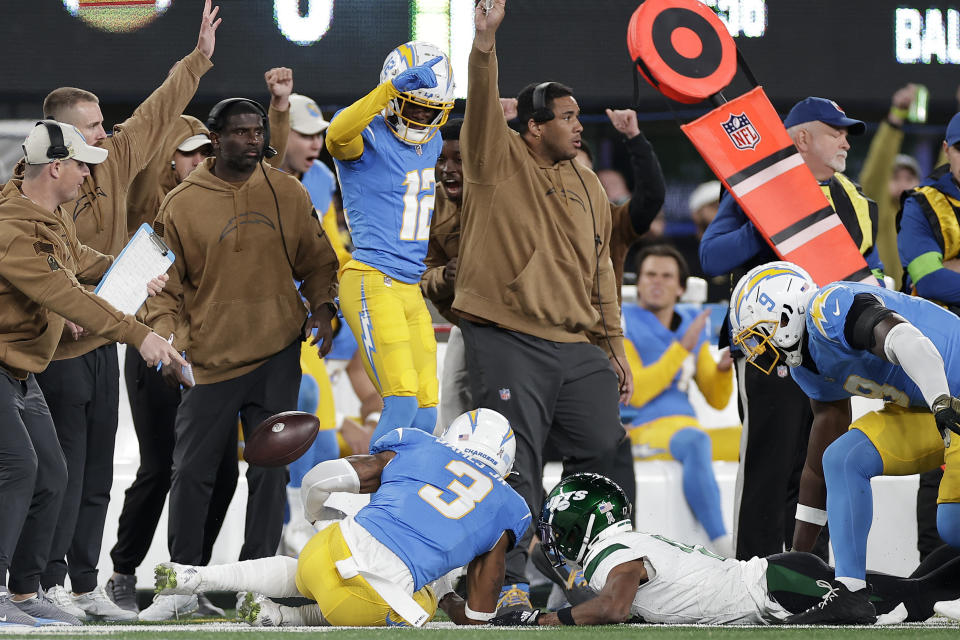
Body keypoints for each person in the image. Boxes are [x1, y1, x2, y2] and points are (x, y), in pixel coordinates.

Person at [22, 1, 219, 622]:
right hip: (53, 352)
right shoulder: (28, 194)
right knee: (60, 474)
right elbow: (32, 274)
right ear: (59, 140)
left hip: (103, 343)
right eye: (93, 128)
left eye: (104, 124)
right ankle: (42, 583)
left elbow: (159, 110)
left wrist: (200, 59)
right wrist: (68, 309)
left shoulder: (113, 164)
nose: (107, 133)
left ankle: (83, 585)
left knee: (98, 475)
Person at [456, 0, 633, 613]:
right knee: (517, 464)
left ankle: (571, 560)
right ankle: (500, 587)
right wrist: (484, 46)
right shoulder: (494, 160)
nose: (579, 126)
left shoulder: (587, 181)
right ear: (532, 126)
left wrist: (612, 344)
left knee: (606, 445)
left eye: (579, 116)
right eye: (566, 117)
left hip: (576, 343)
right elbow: (483, 106)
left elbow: (603, 268)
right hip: (507, 335)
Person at [140, 96, 340, 620]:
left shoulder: (288, 192)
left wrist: (323, 306)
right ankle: (179, 585)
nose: (252, 140)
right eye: (240, 132)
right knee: (192, 471)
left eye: (257, 131)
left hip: (276, 352)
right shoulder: (182, 203)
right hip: (209, 358)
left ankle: (260, 585)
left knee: (271, 474)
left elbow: (319, 260)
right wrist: (165, 340)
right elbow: (161, 287)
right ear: (216, 138)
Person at [0, 121, 185, 627]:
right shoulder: (13, 229)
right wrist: (139, 333)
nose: (87, 173)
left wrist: (128, 270)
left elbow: (81, 261)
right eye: (81, 163)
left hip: (20, 373)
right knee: (18, 469)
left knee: (52, 473)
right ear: (56, 166)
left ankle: (21, 595)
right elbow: (66, 294)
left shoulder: (47, 215)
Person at [698, 96, 881, 562]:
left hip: (832, 348)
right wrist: (765, 225)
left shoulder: (856, 199)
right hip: (767, 348)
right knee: (770, 461)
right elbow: (711, 257)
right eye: (835, 130)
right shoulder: (755, 187)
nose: (845, 140)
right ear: (800, 138)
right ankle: (752, 576)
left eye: (847, 132)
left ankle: (809, 573)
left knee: (822, 464)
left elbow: (870, 268)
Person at [727, 261, 960, 624]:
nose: (757, 349)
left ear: (786, 315)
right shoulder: (807, 364)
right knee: (842, 457)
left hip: (947, 395)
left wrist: (941, 403)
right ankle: (849, 594)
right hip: (931, 405)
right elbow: (817, 466)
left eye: (758, 334)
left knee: (954, 522)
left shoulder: (828, 308)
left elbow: (908, 341)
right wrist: (800, 562)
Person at [151, 409, 531, 628]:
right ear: (504, 465)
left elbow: (323, 478)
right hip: (368, 599)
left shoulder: (417, 444)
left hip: (329, 548)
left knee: (303, 568)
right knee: (423, 598)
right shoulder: (507, 507)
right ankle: (285, 618)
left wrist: (317, 519)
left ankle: (197, 576)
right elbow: (477, 617)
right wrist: (446, 595)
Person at [491, 473, 960, 626]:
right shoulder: (619, 546)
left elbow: (614, 608)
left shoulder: (613, 552)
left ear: (580, 522)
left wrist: (544, 617)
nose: (553, 538)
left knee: (871, 610)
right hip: (778, 580)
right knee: (916, 592)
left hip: (777, 586)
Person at [326, 40, 454, 447]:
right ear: (392, 91)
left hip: (409, 285)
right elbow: (336, 134)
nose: (419, 115)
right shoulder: (366, 137)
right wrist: (387, 91)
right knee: (399, 403)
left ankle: (404, 499)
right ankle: (373, 507)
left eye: (429, 109)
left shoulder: (432, 142)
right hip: (371, 277)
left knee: (426, 411)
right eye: (411, 103)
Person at [621, 245, 734, 556]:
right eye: (650, 275)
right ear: (639, 282)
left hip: (684, 428)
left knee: (756, 441)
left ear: (681, 286)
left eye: (667, 276)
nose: (657, 282)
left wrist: (723, 370)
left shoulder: (690, 320)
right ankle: (724, 546)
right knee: (696, 441)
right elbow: (637, 393)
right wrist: (681, 348)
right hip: (639, 428)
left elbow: (717, 400)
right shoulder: (621, 322)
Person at [420, 118, 469, 429]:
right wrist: (444, 277)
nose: (448, 169)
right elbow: (421, 272)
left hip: (515, 329)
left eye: (459, 159)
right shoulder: (428, 203)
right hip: (466, 325)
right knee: (450, 408)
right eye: (441, 159)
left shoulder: (505, 197)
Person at [859, 84, 924, 288]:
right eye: (896, 177)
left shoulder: (927, 215)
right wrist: (896, 116)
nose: (903, 183)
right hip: (884, 301)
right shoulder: (877, 209)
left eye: (909, 177)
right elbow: (880, 163)